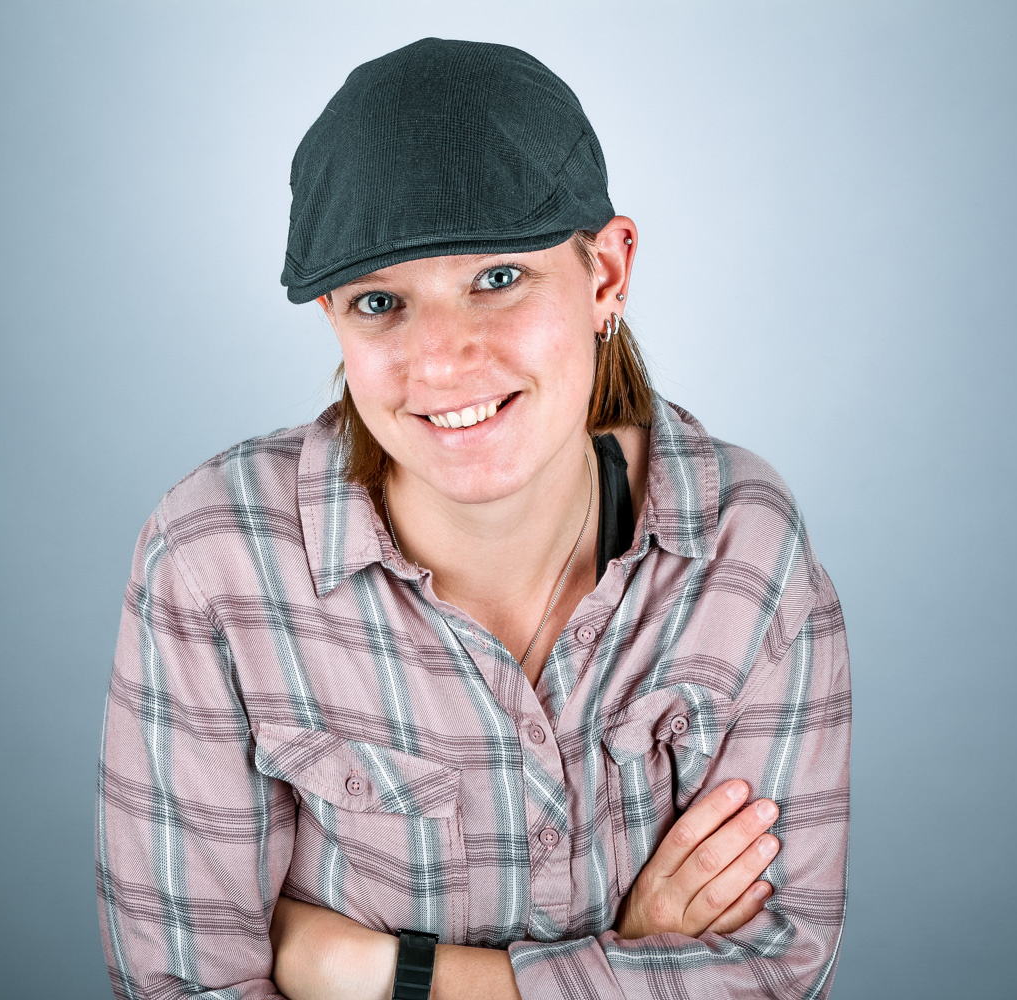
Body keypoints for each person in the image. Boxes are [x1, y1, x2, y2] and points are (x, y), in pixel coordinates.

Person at [96, 37, 850, 1000]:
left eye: (497, 279)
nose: (444, 361)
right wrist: (632, 956)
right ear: (333, 318)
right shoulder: (215, 565)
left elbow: (778, 975)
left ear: (606, 274)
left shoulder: (743, 551)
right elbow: (182, 988)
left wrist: (389, 976)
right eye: (381, 301)